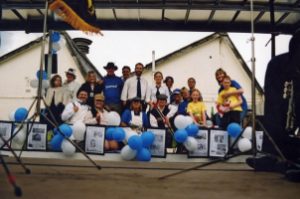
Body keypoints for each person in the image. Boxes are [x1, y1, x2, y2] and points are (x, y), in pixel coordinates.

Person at [246, 31, 300, 182]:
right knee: (274, 114)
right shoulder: (277, 64)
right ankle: (271, 156)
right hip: (284, 105)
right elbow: (272, 98)